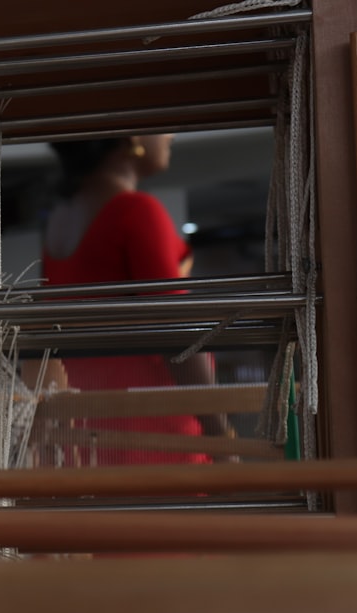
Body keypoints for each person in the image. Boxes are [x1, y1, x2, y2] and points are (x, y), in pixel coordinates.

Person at [34, 135, 227, 466]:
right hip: (152, 428)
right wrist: (222, 438)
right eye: (161, 124)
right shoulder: (136, 210)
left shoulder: (60, 219)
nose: (170, 134)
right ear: (132, 136)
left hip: (89, 427)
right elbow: (175, 331)